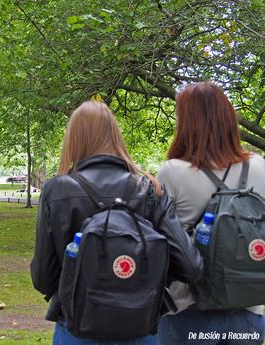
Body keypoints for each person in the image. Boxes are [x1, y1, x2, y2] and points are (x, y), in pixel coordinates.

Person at [30, 100, 203, 345]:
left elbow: (43, 278)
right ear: (115, 135)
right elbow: (190, 265)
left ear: (73, 139)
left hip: (77, 328)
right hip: (139, 328)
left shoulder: (57, 190)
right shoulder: (150, 189)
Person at [156, 81, 265, 345]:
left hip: (188, 310)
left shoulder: (172, 171)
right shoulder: (258, 166)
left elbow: (162, 243)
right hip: (248, 309)